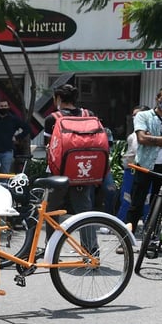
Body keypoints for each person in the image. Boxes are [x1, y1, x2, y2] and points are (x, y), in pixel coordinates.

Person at [42, 84, 98, 248]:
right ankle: (91, 251)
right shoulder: (88, 115)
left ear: (58, 99)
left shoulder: (52, 118)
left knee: (52, 210)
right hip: (83, 171)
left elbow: (49, 146)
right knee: (85, 212)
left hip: (58, 172)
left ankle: (52, 248)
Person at [126, 89, 162, 237]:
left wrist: (153, 139)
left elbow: (147, 139)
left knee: (159, 205)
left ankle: (152, 237)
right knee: (136, 204)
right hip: (145, 165)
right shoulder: (144, 116)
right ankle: (126, 238)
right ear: (157, 98)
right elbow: (142, 139)